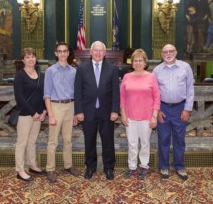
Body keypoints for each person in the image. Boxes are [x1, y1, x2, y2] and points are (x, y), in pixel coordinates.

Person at [74, 40, 120, 180]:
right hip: (88, 112)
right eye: (96, 50)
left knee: (108, 141)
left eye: (101, 50)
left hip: (107, 112)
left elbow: (115, 93)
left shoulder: (112, 69)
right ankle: (90, 167)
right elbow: (78, 91)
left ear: (105, 53)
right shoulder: (82, 69)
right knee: (89, 140)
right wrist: (79, 111)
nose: (98, 53)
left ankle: (108, 167)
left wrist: (115, 110)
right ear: (91, 52)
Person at [153, 44, 194, 180]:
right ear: (162, 54)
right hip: (163, 108)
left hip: (180, 108)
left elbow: (190, 90)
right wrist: (157, 110)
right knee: (163, 139)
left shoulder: (185, 67)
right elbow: (154, 93)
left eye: (171, 51)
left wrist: (187, 109)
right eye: (165, 52)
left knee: (179, 139)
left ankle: (180, 167)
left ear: (176, 52)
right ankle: (164, 166)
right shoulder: (157, 70)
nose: (168, 54)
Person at [120, 49, 160, 180]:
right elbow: (122, 98)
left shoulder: (151, 76)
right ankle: (132, 167)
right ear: (132, 63)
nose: (138, 63)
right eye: (135, 60)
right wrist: (123, 115)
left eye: (140, 60)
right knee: (131, 143)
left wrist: (154, 116)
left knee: (144, 143)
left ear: (145, 62)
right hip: (130, 116)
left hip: (146, 117)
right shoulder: (127, 77)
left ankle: (144, 166)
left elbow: (157, 97)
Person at [44, 42, 79, 183]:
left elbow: (76, 93)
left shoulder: (74, 71)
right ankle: (50, 168)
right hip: (56, 106)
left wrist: (76, 112)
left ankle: (68, 165)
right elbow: (46, 94)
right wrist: (50, 114)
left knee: (67, 139)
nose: (63, 54)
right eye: (60, 51)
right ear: (56, 53)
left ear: (68, 53)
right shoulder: (50, 71)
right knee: (53, 140)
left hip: (70, 106)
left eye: (65, 51)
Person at [14, 47, 47, 182]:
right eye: (27, 57)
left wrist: (44, 111)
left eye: (32, 56)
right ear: (23, 60)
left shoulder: (40, 74)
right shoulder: (20, 75)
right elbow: (19, 97)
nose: (31, 59)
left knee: (32, 141)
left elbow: (44, 94)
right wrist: (32, 113)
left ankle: (32, 165)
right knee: (21, 142)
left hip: (39, 115)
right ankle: (20, 170)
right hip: (25, 114)